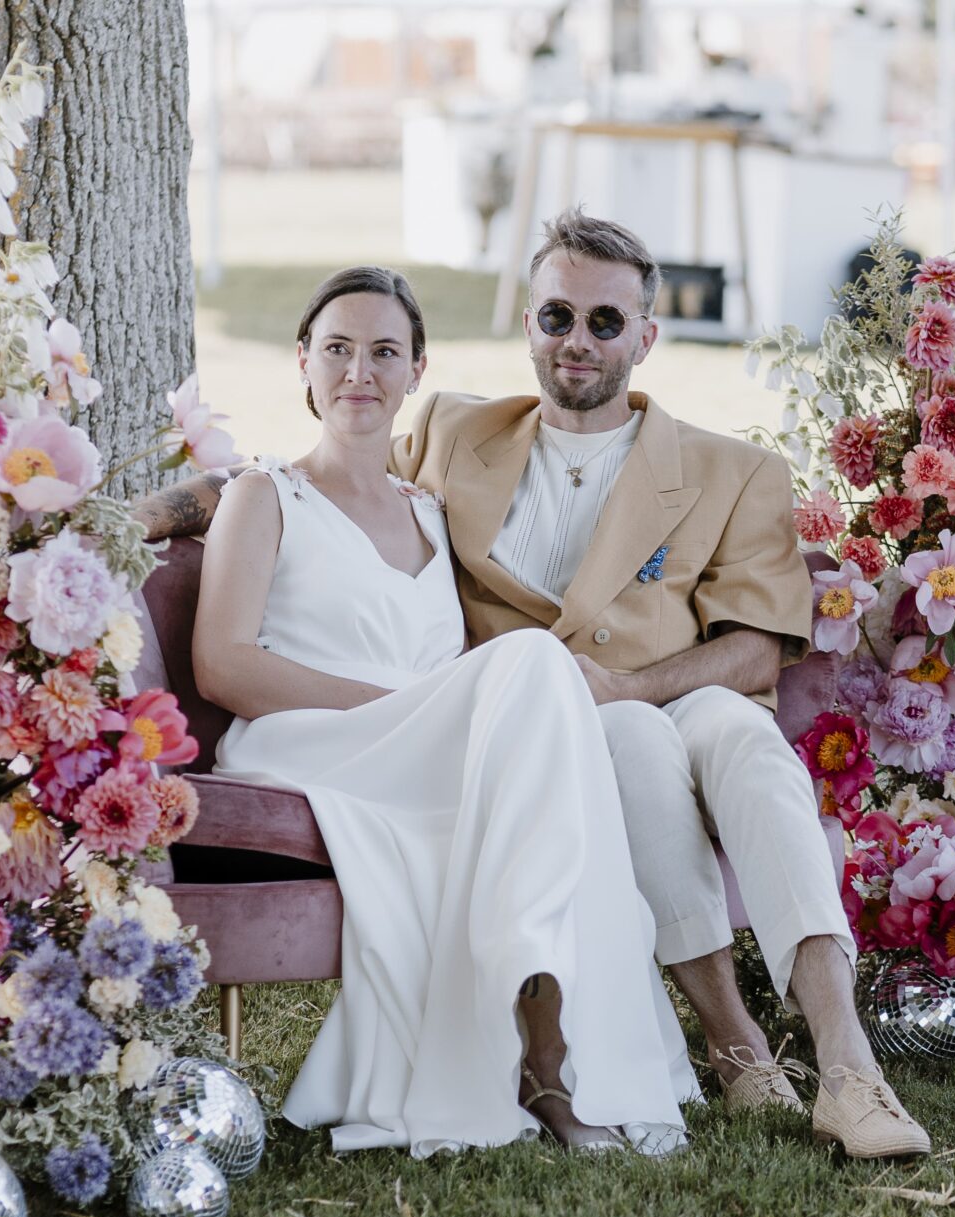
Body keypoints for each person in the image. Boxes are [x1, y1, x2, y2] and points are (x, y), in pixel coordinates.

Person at [145, 213, 930, 1160]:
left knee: (748, 749)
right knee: (620, 743)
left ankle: (848, 1064)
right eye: (558, 316)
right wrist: (139, 514)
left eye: (606, 321)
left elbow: (760, 651)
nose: (578, 340)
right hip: (508, 726)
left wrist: (624, 683)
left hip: (666, 693)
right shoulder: (452, 437)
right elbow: (299, 476)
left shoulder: (731, 470)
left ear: (647, 335)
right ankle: (722, 1046)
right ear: (528, 324)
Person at [192, 266, 697, 1157]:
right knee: (537, 664)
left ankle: (553, 1055)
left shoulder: (430, 513)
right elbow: (223, 664)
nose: (360, 372)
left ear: (417, 370)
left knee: (538, 771)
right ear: (303, 361)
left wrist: (430, 713)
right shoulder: (263, 496)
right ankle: (552, 1066)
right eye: (337, 349)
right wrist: (401, 709)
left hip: (423, 749)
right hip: (311, 742)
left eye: (385, 352)